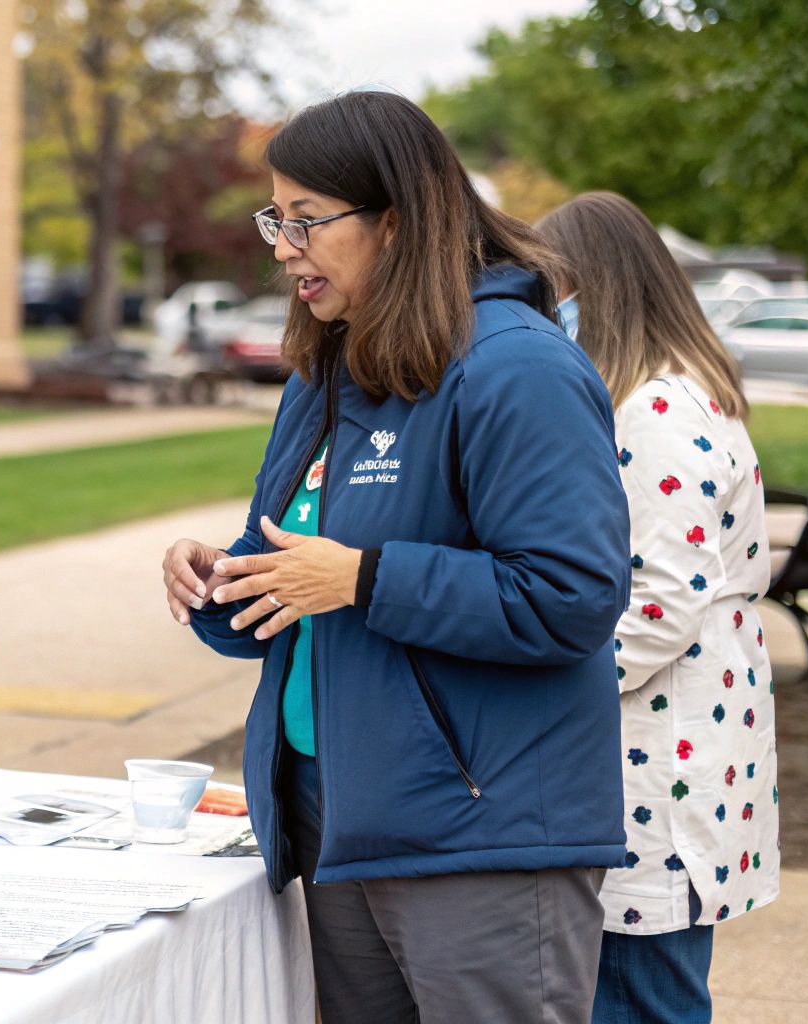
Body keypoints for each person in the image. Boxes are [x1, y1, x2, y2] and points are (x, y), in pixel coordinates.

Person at [159, 90, 632, 1023]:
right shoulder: (327, 372)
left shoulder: (517, 369)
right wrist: (222, 579)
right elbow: (289, 568)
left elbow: (571, 596)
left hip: (477, 834)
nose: (282, 247)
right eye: (275, 221)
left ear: (397, 223)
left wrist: (364, 580)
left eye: (305, 222)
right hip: (336, 816)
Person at [537, 192, 779, 1024]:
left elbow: (657, 606)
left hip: (663, 753)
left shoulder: (655, 410)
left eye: (553, 289)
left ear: (594, 289)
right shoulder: (671, 394)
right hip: (679, 734)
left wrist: (539, 691)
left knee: (642, 991)